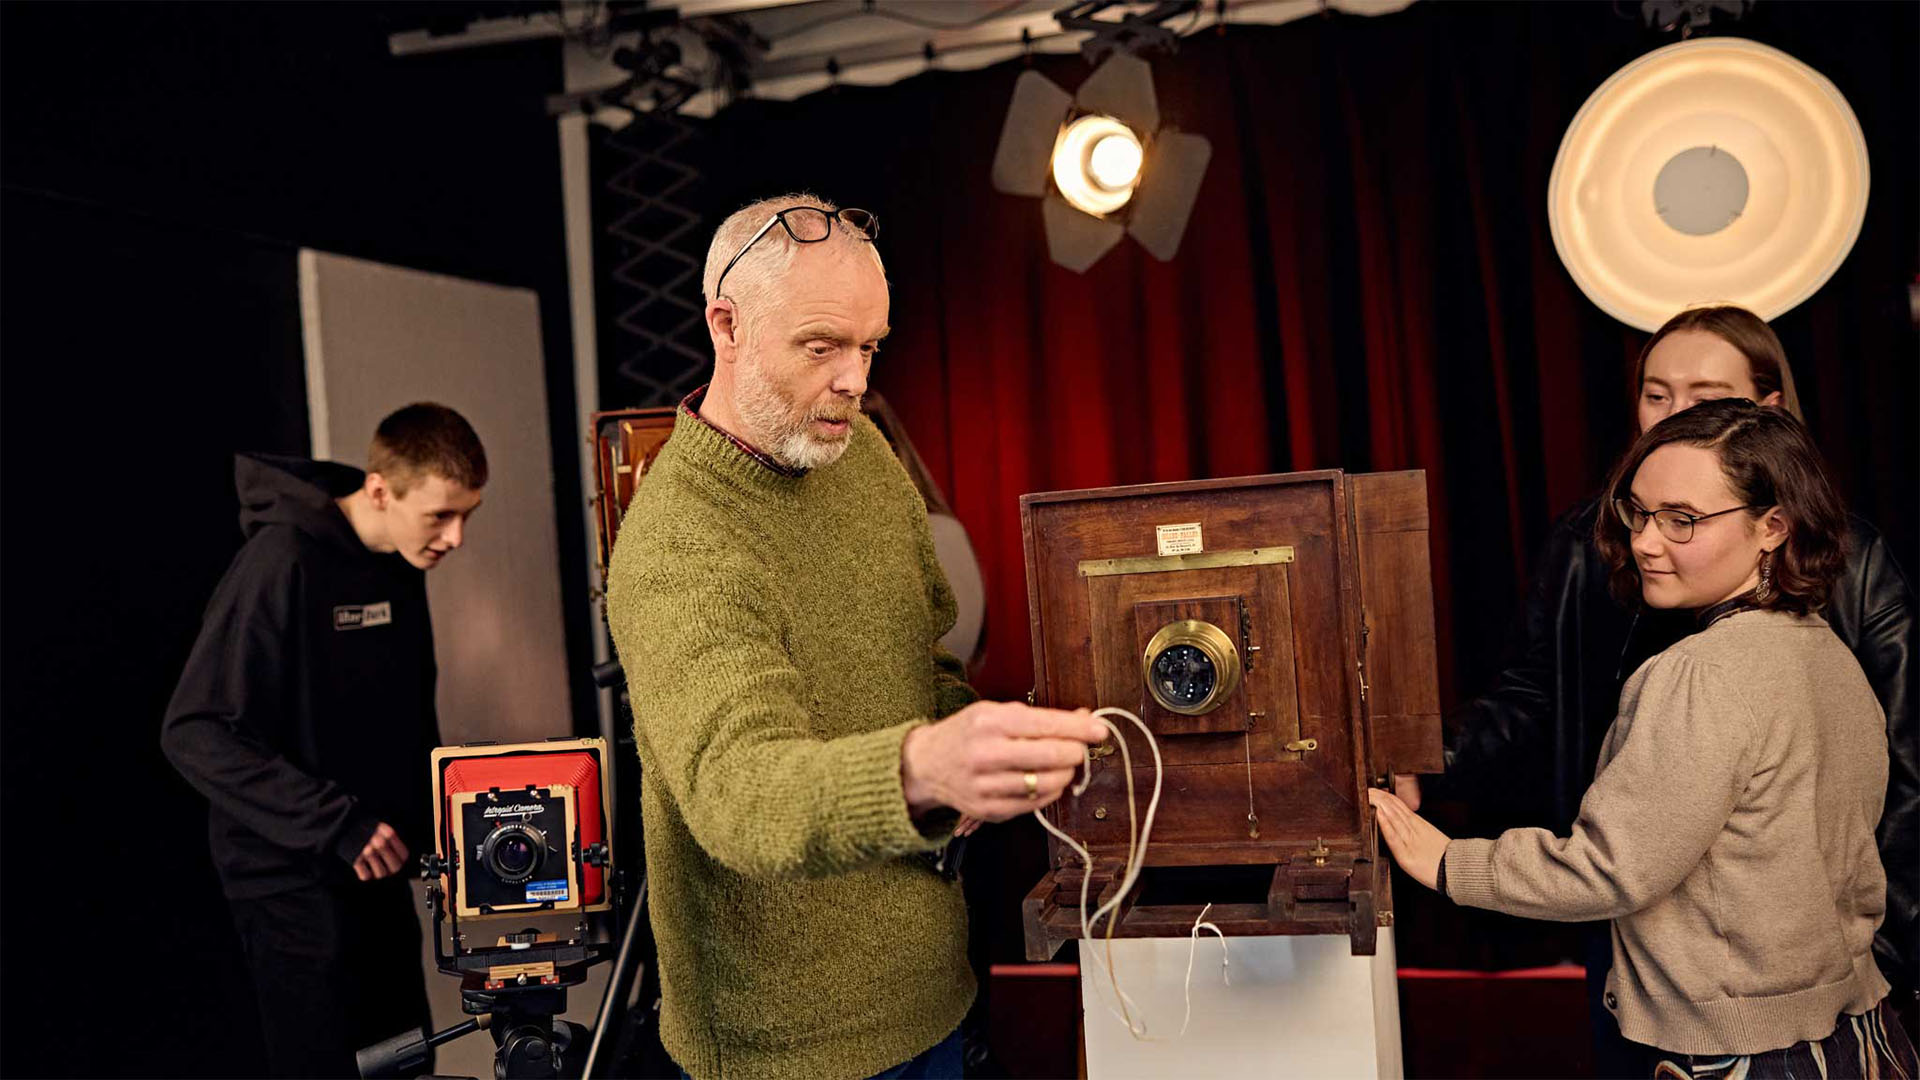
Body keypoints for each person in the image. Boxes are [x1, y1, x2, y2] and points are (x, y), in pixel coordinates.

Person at [605, 194, 1106, 1080]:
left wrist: (1006, 738)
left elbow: (923, 668)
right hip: (782, 1053)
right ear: (726, 324)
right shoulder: (680, 539)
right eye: (821, 346)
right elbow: (740, 794)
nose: (854, 379)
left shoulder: (862, 455)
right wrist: (924, 770)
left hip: (933, 1002)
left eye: (869, 346)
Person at [1407, 306, 1916, 1060]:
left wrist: (1444, 861)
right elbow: (1531, 701)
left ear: (1773, 524)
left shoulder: (1702, 668)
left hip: (1732, 1034)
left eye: (1681, 520)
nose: (1646, 542)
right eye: (1638, 515)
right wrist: (1420, 752)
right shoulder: (1816, 646)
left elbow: (1612, 866)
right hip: (1832, 1023)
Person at [161, 403, 487, 1077]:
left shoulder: (401, 564)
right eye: (439, 516)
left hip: (377, 870)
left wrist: (439, 838)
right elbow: (196, 729)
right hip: (290, 880)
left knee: (402, 1065)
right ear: (378, 491)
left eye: (467, 516)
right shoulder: (280, 561)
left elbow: (399, 723)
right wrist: (337, 824)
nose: (455, 538)